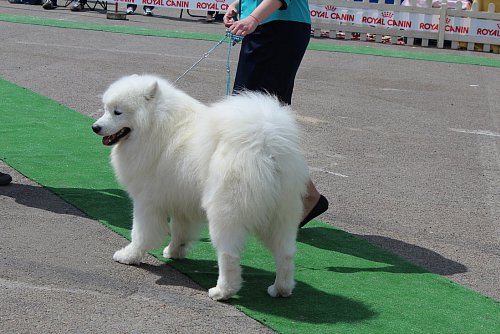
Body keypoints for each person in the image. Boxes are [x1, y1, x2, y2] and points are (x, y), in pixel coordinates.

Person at [223, 0, 328, 228]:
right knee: (253, 122)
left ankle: (299, 196)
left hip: (277, 29)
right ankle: (301, 195)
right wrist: (241, 5)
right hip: (266, 27)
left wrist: (253, 17)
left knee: (259, 123)